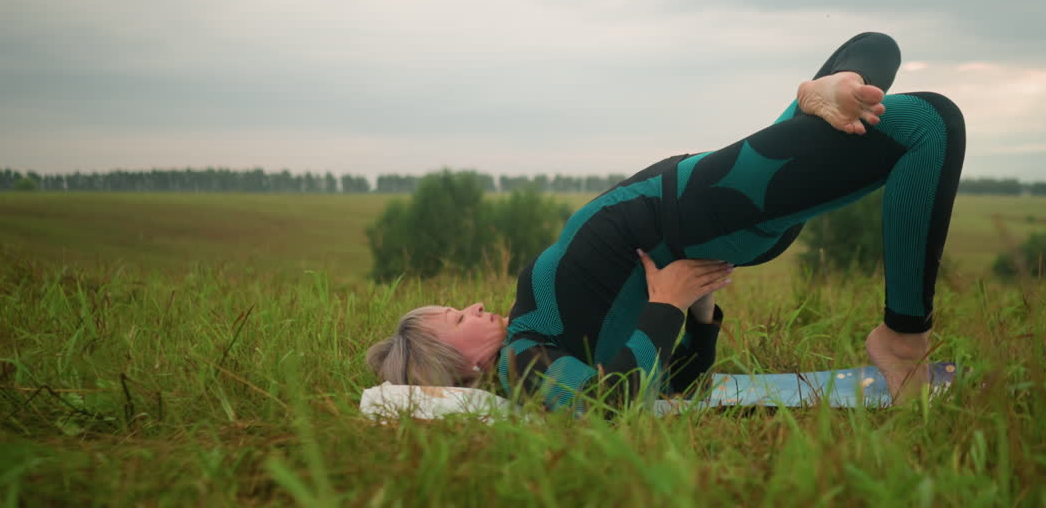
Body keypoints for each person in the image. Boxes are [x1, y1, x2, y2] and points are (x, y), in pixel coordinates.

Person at [366, 32, 965, 410]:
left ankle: (813, 102)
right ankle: (900, 337)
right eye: (456, 319)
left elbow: (649, 386)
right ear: (460, 364)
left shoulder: (538, 338)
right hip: (694, 206)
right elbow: (624, 395)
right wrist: (684, 307)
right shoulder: (523, 363)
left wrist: (671, 301)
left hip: (697, 202)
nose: (472, 308)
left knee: (886, 75)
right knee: (920, 113)